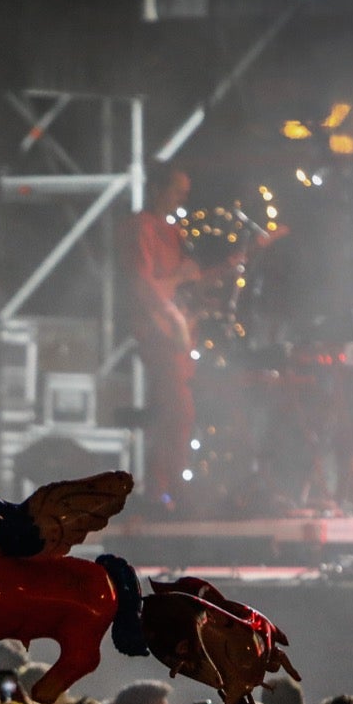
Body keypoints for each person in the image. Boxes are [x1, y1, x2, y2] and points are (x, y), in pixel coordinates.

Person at [118, 162, 203, 511]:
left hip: (173, 330)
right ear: (157, 189)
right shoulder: (140, 227)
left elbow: (178, 281)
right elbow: (142, 282)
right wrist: (172, 314)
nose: (180, 199)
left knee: (170, 412)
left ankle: (161, 492)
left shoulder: (174, 232)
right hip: (157, 331)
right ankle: (171, 494)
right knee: (178, 411)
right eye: (176, 191)